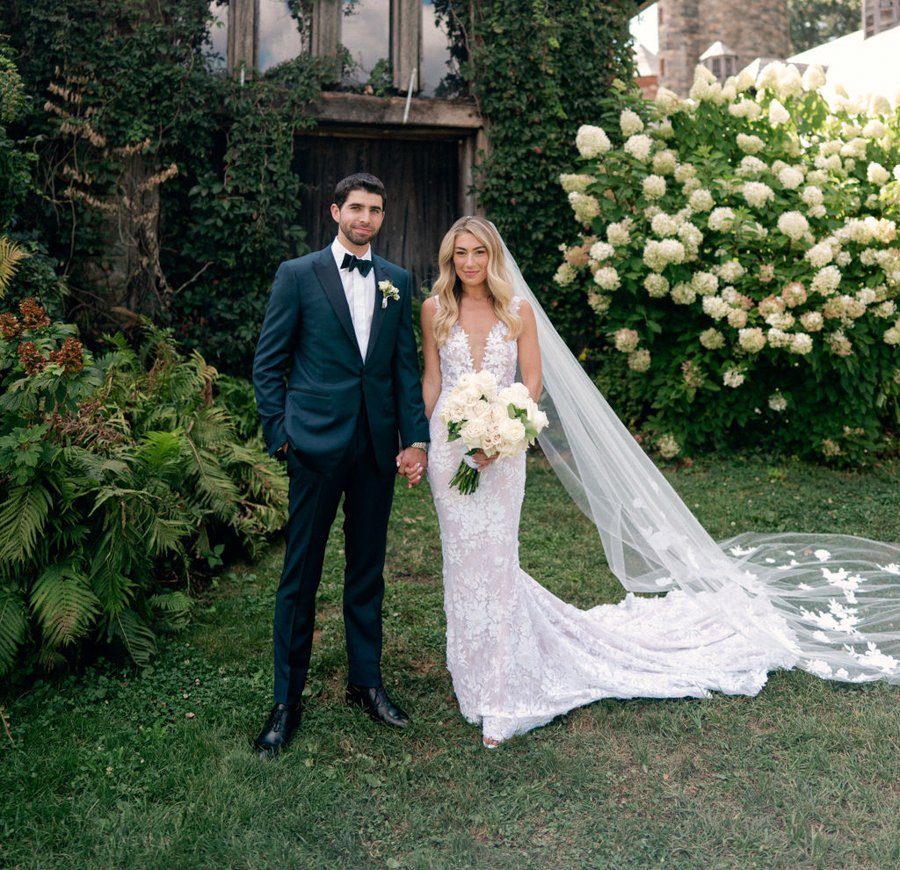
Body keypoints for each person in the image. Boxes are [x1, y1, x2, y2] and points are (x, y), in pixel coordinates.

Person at [422, 216, 900, 747]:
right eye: (460, 253)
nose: (469, 263)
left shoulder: (518, 311)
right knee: (461, 560)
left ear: (493, 257)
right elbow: (433, 379)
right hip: (451, 451)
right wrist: (444, 438)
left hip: (503, 452)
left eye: (479, 253)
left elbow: (530, 383)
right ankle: (471, 671)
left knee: (497, 558)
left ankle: (504, 681)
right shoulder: (434, 310)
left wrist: (502, 436)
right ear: (450, 258)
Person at [251, 173, 429, 757]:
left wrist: (416, 440)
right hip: (315, 446)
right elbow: (268, 362)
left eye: (376, 210)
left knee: (366, 571)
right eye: (356, 208)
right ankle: (286, 700)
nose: (366, 218)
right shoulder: (297, 276)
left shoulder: (397, 282)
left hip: (377, 449)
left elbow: (405, 370)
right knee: (300, 575)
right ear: (335, 211)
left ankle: (366, 682)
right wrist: (281, 436)